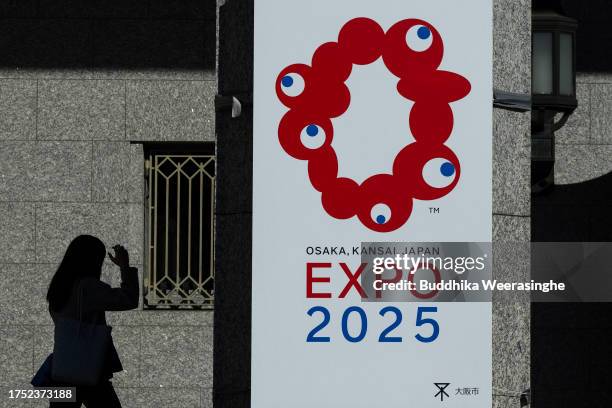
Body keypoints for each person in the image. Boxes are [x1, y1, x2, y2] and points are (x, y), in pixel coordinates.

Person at [38, 235, 139, 407]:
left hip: (63, 367)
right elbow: (128, 299)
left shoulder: (59, 286)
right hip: (89, 367)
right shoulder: (87, 287)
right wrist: (124, 267)